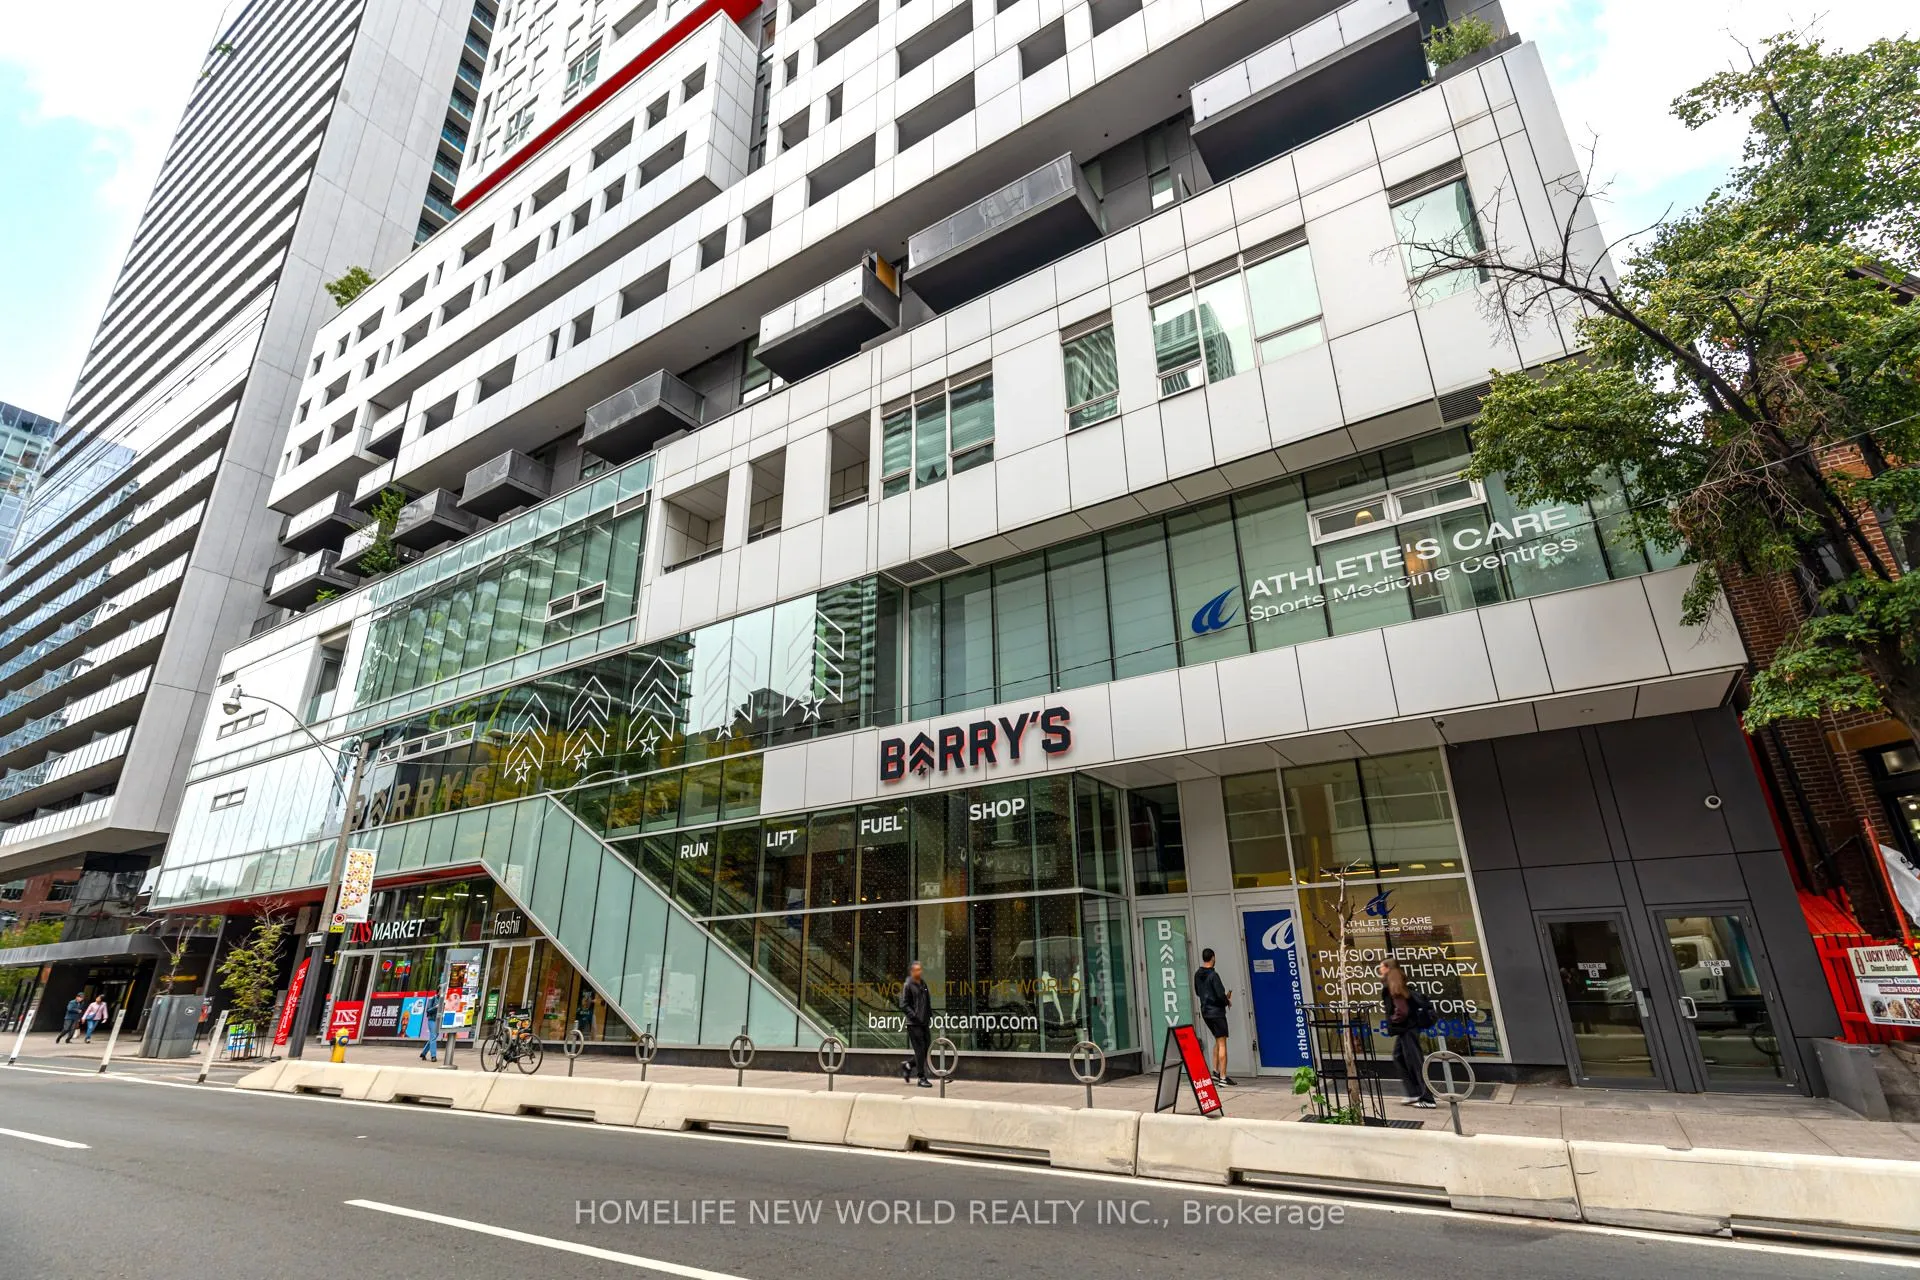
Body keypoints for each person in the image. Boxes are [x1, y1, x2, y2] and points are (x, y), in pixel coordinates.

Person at [1379, 960, 1436, 1109]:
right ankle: (1414, 1093)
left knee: (1414, 1062)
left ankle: (1427, 1098)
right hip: (1407, 1029)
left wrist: (1393, 1020)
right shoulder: (1397, 982)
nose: (1379, 968)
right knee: (1399, 1057)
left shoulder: (1393, 985)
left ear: (1387, 968)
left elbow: (1402, 1011)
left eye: (1381, 966)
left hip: (1407, 1029)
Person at [1193, 949, 1235, 1086]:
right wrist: (1227, 1001)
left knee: (1217, 1040)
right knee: (1222, 1043)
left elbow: (1198, 992)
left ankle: (1215, 1072)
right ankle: (1223, 1077)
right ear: (1213, 957)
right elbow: (1220, 994)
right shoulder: (1213, 975)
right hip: (1217, 1012)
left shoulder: (1197, 974)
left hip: (1205, 1012)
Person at [898, 960, 933, 1088]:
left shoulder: (923, 983)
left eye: (920, 969)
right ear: (912, 971)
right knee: (919, 1049)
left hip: (924, 1022)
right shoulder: (908, 985)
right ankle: (921, 1077)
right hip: (913, 1024)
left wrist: (929, 1015)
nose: (920, 971)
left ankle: (908, 1065)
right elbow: (903, 1004)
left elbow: (927, 1001)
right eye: (917, 969)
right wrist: (915, 1016)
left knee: (926, 1048)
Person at [418, 990, 444, 1062]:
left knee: (433, 1038)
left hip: (439, 1021)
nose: (443, 993)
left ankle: (423, 1053)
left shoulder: (443, 1000)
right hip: (432, 1020)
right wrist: (436, 1007)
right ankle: (433, 1056)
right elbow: (428, 1010)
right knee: (433, 1037)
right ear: (438, 992)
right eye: (442, 991)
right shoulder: (432, 999)